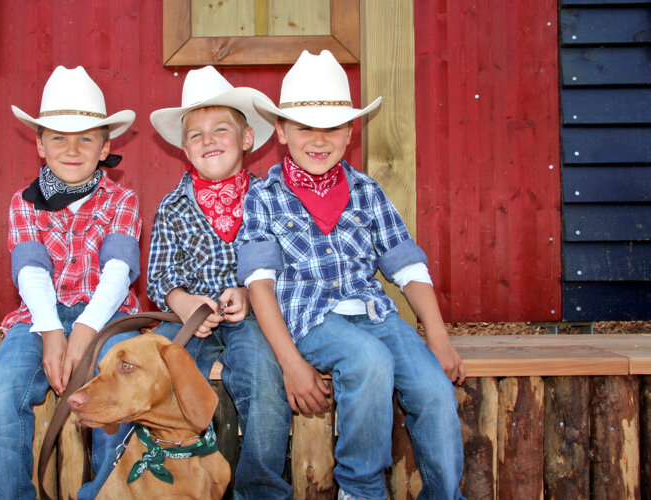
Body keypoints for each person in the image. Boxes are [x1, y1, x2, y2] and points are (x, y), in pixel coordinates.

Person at [238, 50, 467, 500]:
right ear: (282, 132)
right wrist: (290, 363)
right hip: (311, 320)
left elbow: (407, 266)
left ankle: (446, 494)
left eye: (333, 127)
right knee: (367, 361)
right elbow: (260, 284)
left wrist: (437, 337)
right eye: (305, 127)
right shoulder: (264, 197)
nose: (319, 140)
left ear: (350, 132)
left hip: (374, 314)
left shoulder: (365, 191)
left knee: (435, 391)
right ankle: (360, 489)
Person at [0, 66, 143, 500]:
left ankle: (108, 493)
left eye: (86, 138)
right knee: (4, 389)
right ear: (39, 143)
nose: (72, 149)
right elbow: (30, 270)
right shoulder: (23, 202)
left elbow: (118, 271)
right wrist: (52, 333)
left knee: (119, 392)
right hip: (39, 316)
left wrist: (86, 330)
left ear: (105, 145)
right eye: (58, 137)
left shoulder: (121, 200)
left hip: (107, 316)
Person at [146, 65, 292, 499]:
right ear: (184, 149)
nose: (208, 141)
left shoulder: (269, 197)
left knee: (265, 376)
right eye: (196, 134)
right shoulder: (173, 206)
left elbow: (288, 261)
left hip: (252, 316)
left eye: (221, 129)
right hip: (189, 315)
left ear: (247, 139)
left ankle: (261, 487)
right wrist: (184, 300)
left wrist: (249, 292)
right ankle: (161, 481)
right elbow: (160, 273)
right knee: (157, 369)